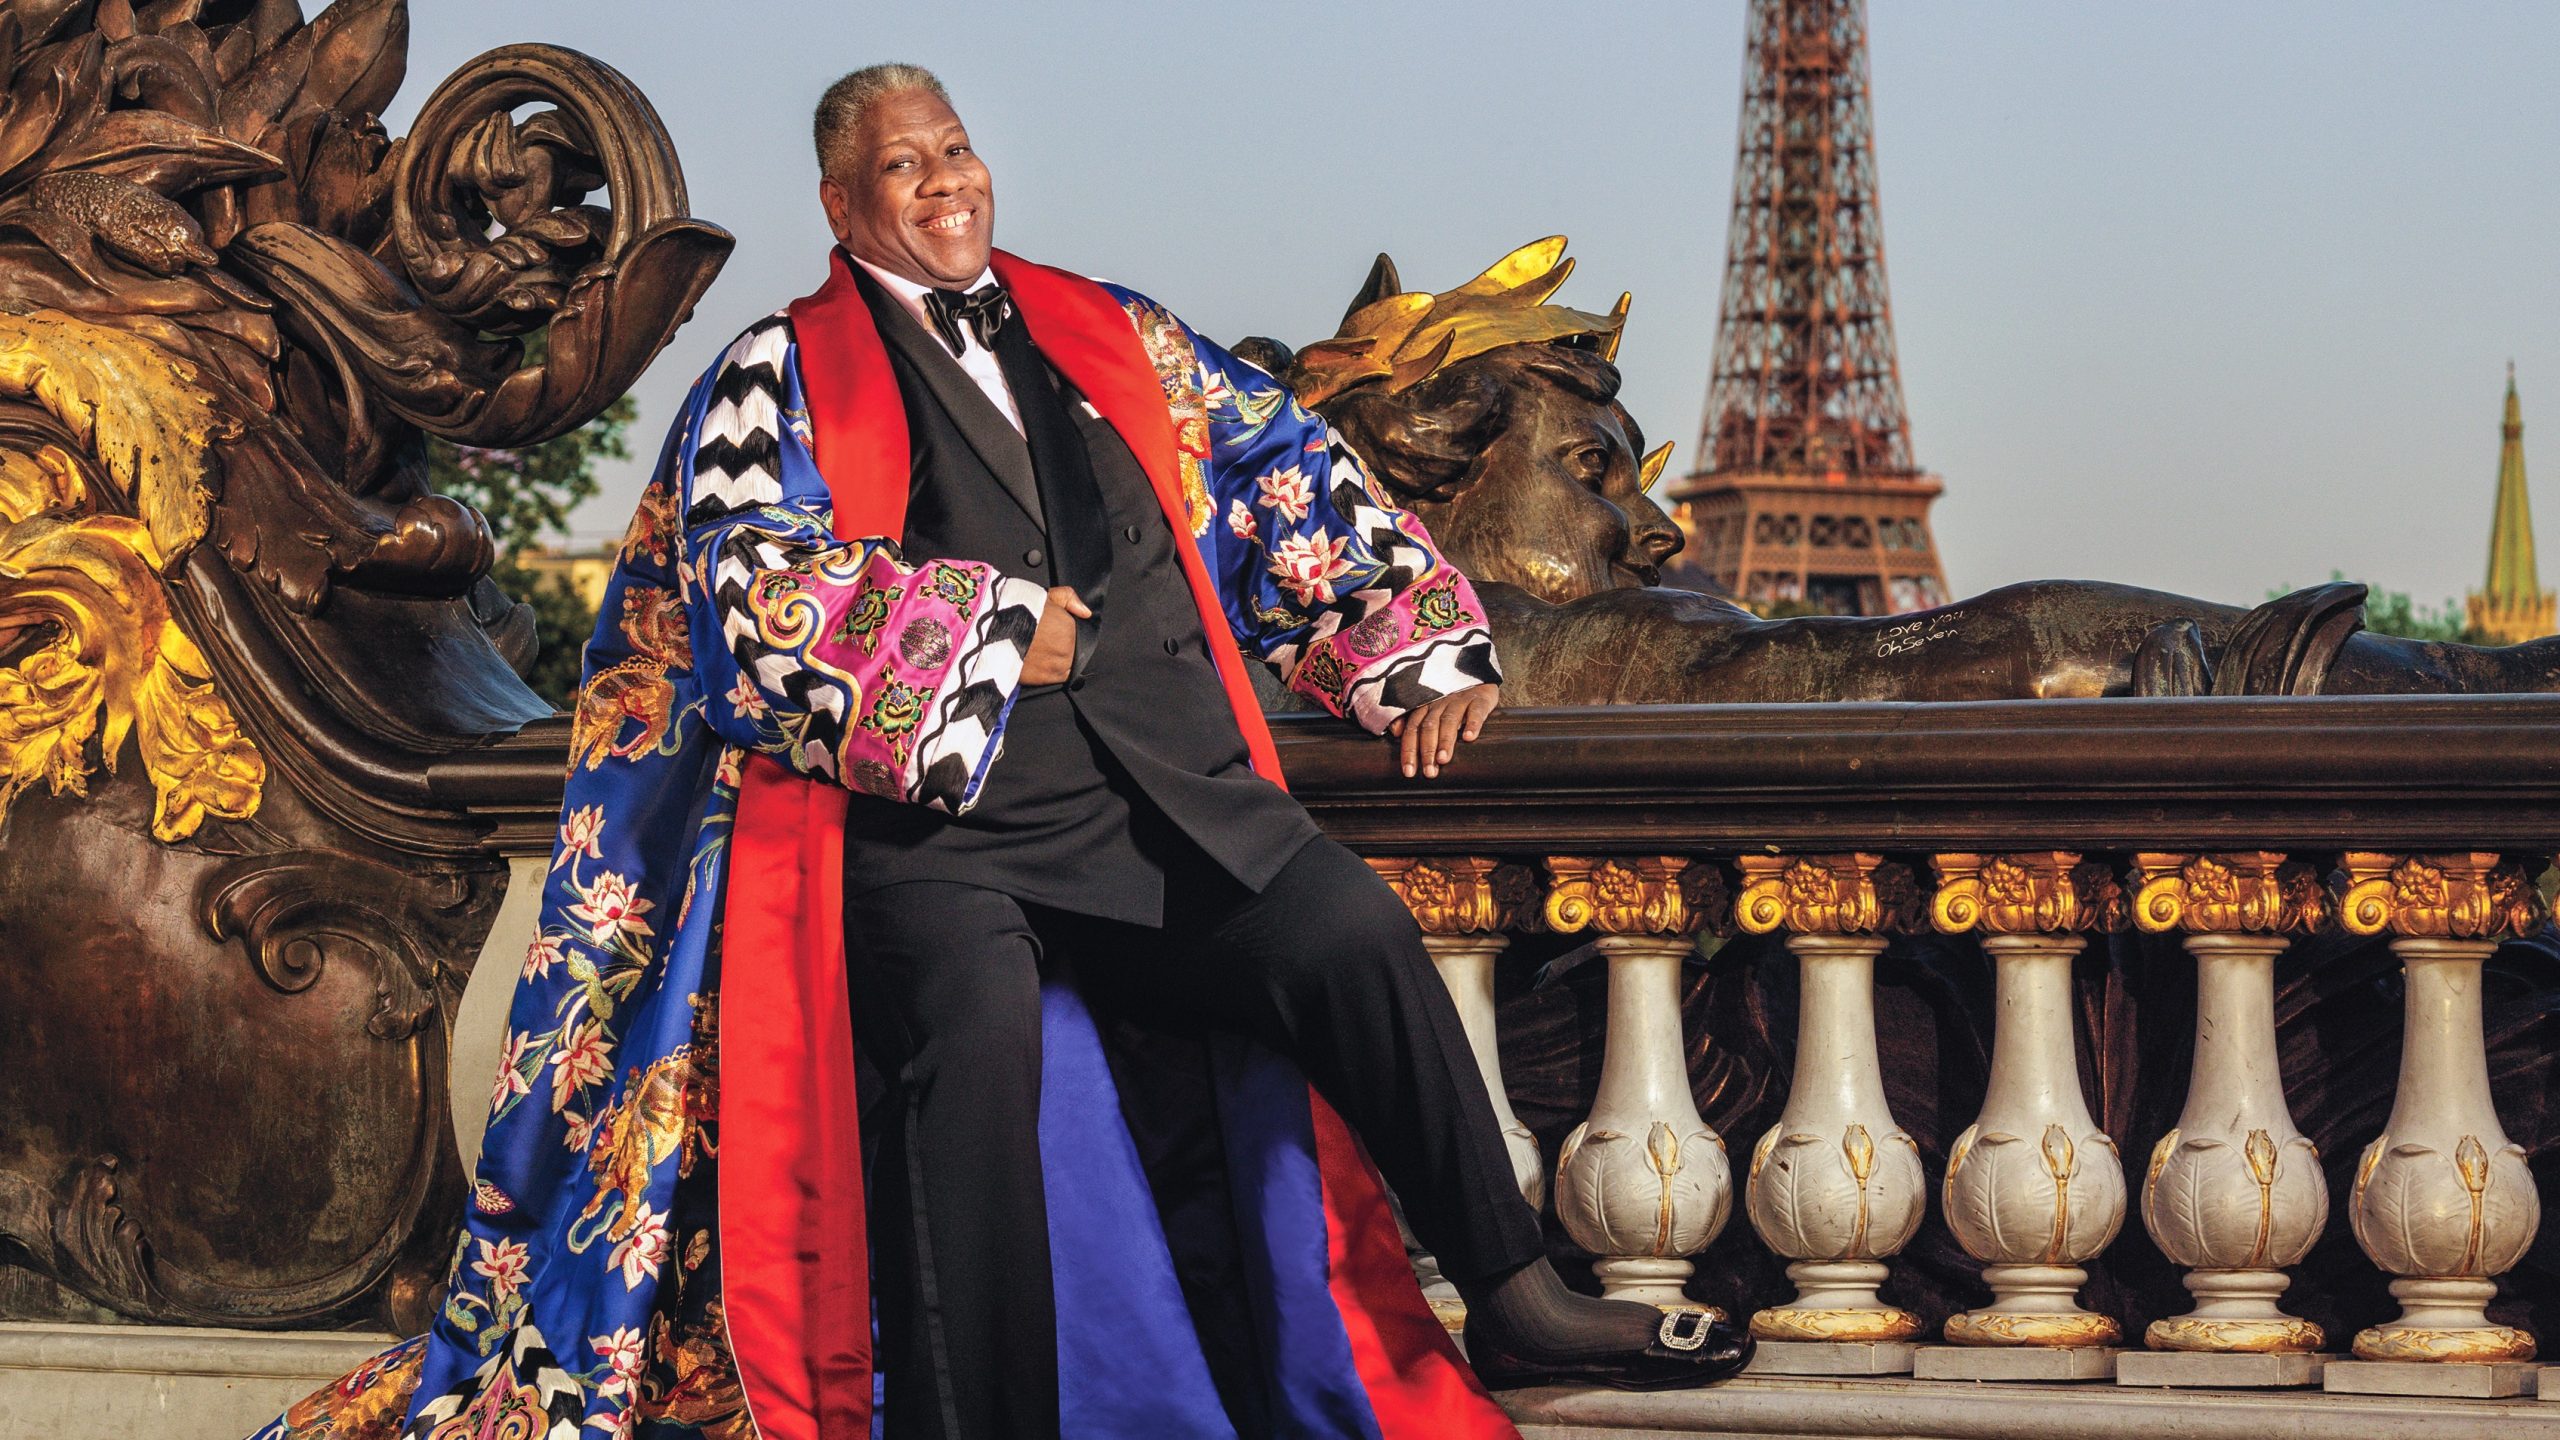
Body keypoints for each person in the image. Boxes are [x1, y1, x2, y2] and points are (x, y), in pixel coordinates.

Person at [249, 61, 1747, 1440]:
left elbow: (1286, 467)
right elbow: (739, 597)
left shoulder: (1121, 331)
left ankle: (1519, 1297)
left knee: (1350, 933)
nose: (943, 181)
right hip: (941, 843)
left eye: (955, 149)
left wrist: (1406, 655)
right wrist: (983, 629)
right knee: (971, 1062)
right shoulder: (770, 376)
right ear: (843, 205)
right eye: (902, 166)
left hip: (1172, 804)